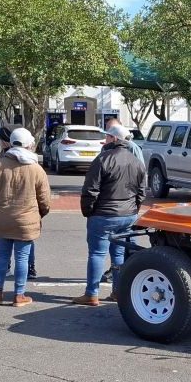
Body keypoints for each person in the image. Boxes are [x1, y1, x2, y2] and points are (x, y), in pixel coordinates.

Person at [72, 124, 146, 306]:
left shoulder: (103, 159)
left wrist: (88, 211)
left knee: (97, 254)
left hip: (104, 214)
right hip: (128, 214)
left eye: (107, 137)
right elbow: (142, 192)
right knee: (118, 253)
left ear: (114, 139)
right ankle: (118, 292)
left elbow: (90, 189)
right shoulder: (137, 161)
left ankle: (91, 293)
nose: (105, 140)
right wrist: (133, 209)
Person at [0, 127, 50, 307]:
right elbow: (45, 199)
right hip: (26, 221)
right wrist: (39, 215)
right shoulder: (36, 169)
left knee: (2, 256)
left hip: (1, 219)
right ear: (29, 145)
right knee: (22, 258)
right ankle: (19, 295)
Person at [0, 126, 38, 278]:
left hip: (4, 212)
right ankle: (20, 291)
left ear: (7, 141)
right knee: (24, 250)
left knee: (5, 252)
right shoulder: (33, 161)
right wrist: (38, 213)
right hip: (26, 213)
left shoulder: (0, 162)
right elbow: (43, 194)